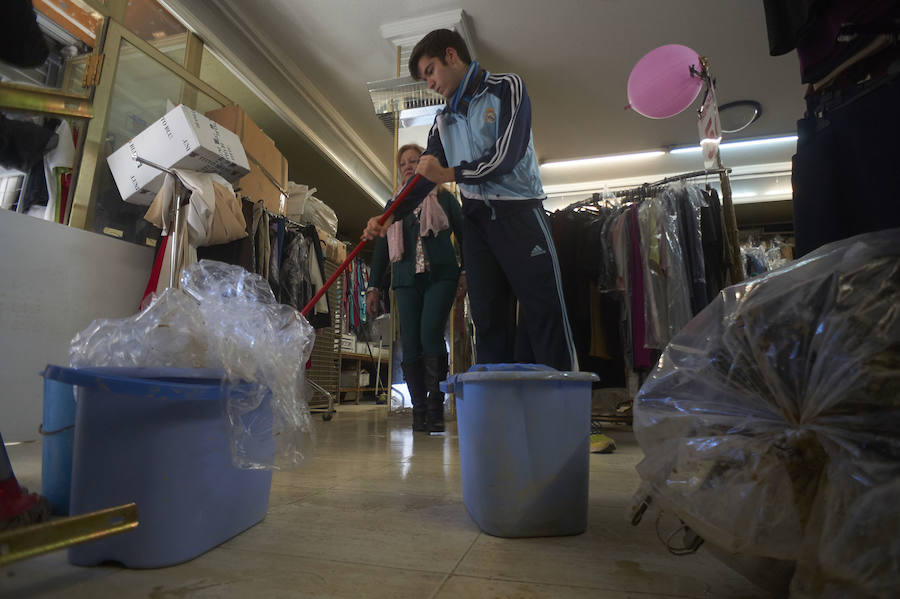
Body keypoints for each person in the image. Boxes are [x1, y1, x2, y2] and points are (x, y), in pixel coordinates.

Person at [364, 28, 577, 373]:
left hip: (520, 212)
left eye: (430, 70)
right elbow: (421, 179)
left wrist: (449, 175)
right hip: (477, 223)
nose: (429, 83)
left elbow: (506, 156)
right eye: (424, 78)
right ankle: (500, 415)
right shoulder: (442, 120)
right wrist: (388, 215)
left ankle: (567, 415)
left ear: (451, 55)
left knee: (544, 312)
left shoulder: (507, 87)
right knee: (488, 320)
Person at [366, 144, 465, 433]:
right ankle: (418, 411)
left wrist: (465, 271)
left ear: (424, 164)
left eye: (414, 161)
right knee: (409, 340)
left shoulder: (445, 197)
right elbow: (382, 250)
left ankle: (435, 409)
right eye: (403, 163)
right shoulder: (394, 205)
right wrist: (373, 287)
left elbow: (465, 235)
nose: (408, 166)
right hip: (406, 279)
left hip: (441, 276)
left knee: (429, 333)